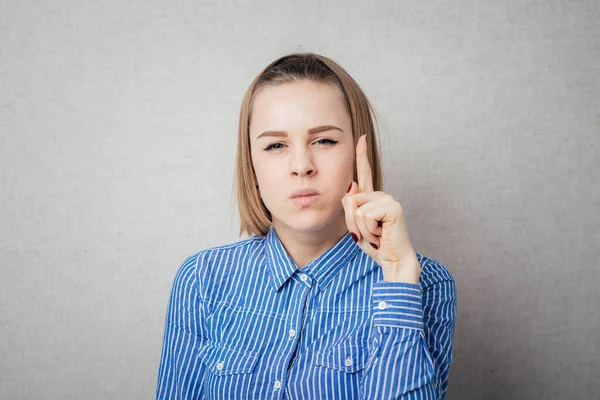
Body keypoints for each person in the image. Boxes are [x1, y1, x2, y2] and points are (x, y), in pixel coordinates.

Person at [156, 52, 457, 400]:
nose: (301, 166)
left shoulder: (426, 284)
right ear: (252, 167)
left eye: (324, 141)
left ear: (361, 152)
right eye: (276, 145)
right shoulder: (202, 279)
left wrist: (398, 275)